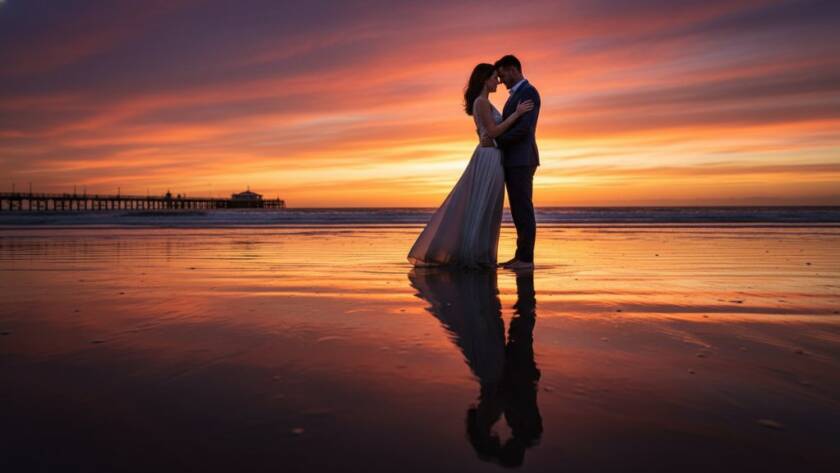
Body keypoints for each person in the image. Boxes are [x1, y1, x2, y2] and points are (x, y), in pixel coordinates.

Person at [407, 63, 533, 268]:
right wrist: (517, 114)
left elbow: (485, 132)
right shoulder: (481, 102)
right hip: (489, 157)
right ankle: (474, 255)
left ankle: (480, 254)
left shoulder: (483, 102)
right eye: (494, 78)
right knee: (483, 205)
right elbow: (492, 132)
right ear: (484, 80)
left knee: (488, 206)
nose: (498, 82)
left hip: (492, 155)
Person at [493, 55, 541, 270]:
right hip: (515, 159)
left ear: (512, 69)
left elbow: (524, 128)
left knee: (523, 209)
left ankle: (526, 259)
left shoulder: (528, 92)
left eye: (502, 75)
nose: (501, 81)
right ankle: (520, 255)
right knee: (517, 210)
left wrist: (498, 141)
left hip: (522, 158)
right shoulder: (515, 96)